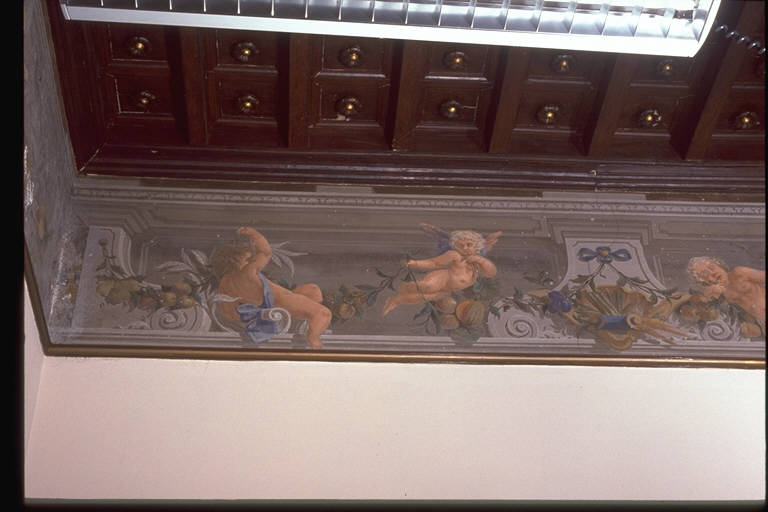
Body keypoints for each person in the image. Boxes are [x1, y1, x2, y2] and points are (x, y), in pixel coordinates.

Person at [214, 227, 331, 349]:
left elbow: (228, 310)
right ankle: (313, 337)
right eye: (248, 259)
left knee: (313, 290)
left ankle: (306, 322)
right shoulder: (247, 272)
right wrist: (254, 234)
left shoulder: (225, 281)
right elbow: (265, 252)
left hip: (278, 301)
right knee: (323, 313)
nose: (252, 260)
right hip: (283, 302)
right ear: (235, 261)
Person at [382, 229, 501, 316]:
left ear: (477, 246)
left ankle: (395, 300)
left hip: (447, 288)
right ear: (455, 246)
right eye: (460, 245)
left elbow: (491, 273)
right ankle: (404, 287)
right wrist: (415, 263)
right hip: (441, 279)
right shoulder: (454, 255)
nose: (465, 248)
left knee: (425, 297)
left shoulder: (478, 262)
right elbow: (434, 263)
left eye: (469, 245)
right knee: (428, 287)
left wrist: (480, 260)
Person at [687, 256, 765, 332]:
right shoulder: (717, 294)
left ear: (719, 265)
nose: (712, 273)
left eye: (712, 267)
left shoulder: (739, 273)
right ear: (705, 281)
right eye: (705, 274)